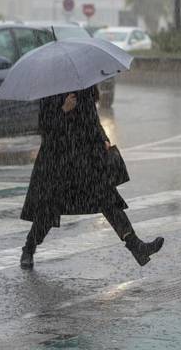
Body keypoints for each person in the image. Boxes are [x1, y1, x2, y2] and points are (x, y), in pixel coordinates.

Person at [19, 85, 164, 269]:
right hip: (58, 162)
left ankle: (137, 247)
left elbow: (92, 119)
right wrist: (64, 110)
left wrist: (103, 137)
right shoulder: (50, 89)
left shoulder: (83, 85)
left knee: (108, 201)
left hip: (86, 159)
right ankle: (29, 248)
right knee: (48, 209)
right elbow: (45, 129)